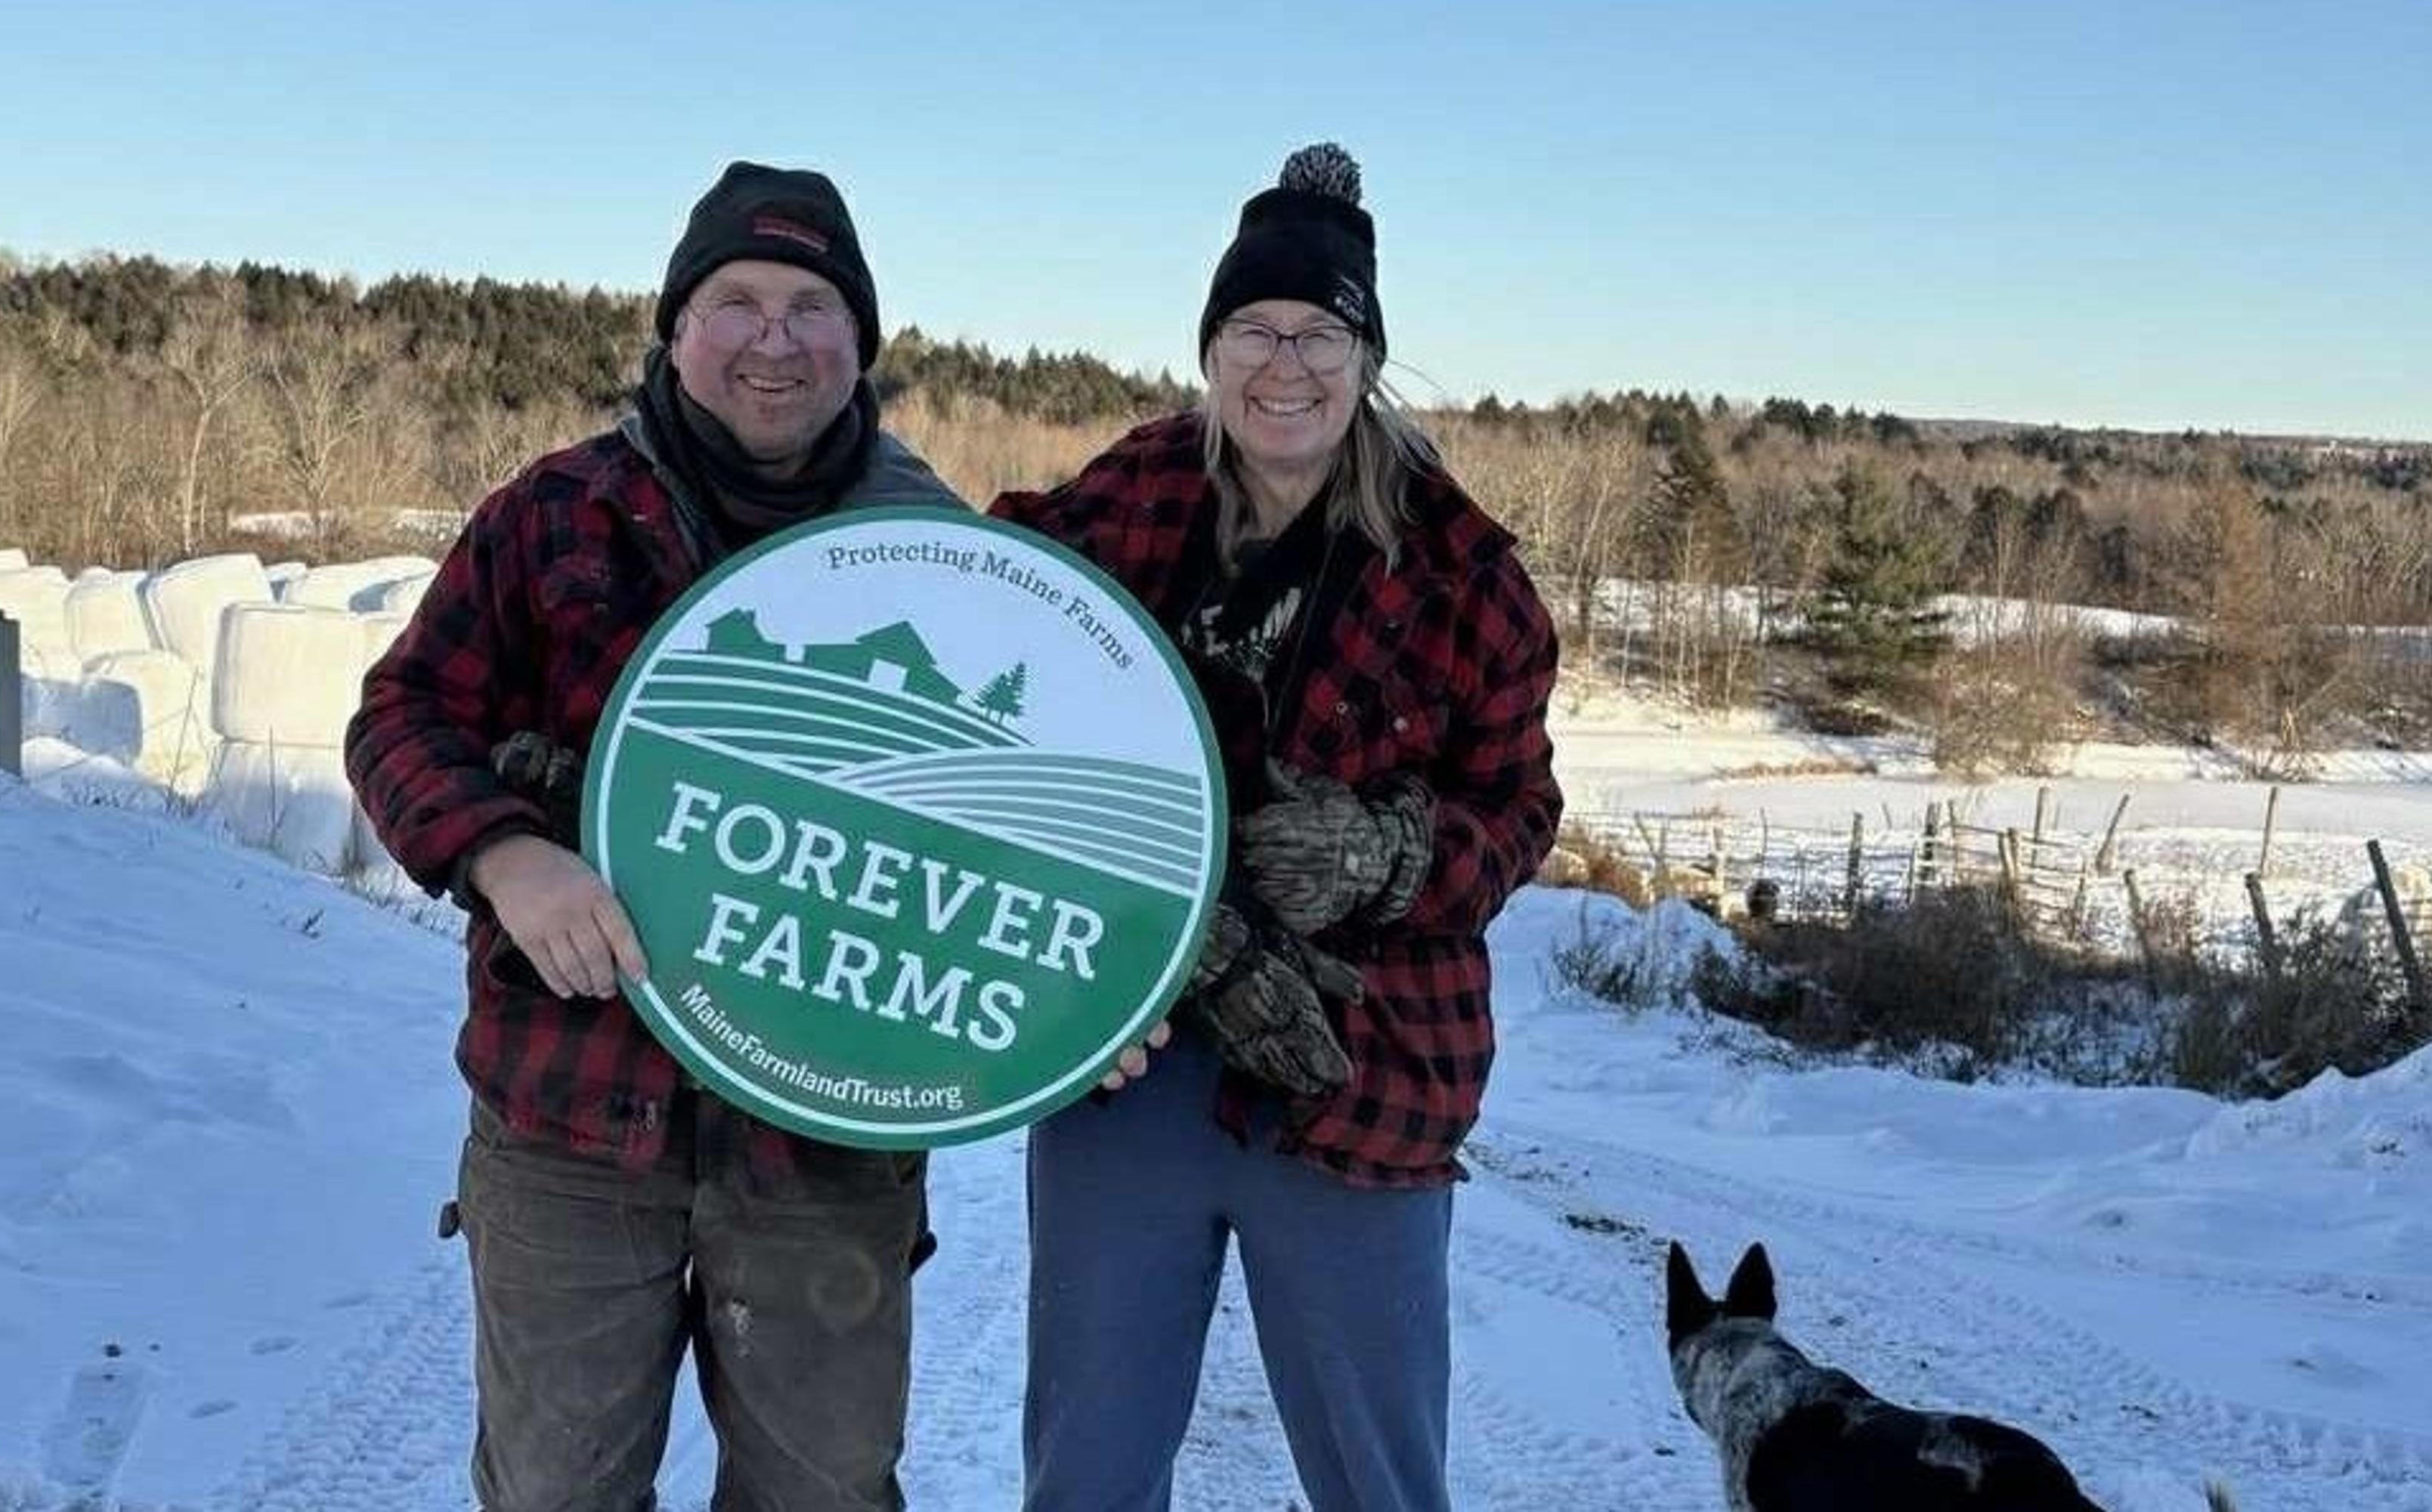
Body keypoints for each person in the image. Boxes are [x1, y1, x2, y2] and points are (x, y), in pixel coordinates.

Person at [348, 161, 1160, 1512]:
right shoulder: (558, 512)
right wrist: (502, 851)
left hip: (827, 1143)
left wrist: (1079, 1001)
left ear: (862, 346)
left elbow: (1020, 835)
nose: (772, 340)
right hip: (568, 1113)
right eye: (736, 301)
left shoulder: (941, 562)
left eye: (810, 306)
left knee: (824, 1495)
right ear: (675, 328)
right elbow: (399, 714)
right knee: (553, 1492)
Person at [992, 142, 1564, 1512]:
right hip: (1131, 1041)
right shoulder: (1134, 493)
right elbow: (991, 609)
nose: (1284, 364)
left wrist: (1392, 853)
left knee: (1376, 1471)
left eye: (1320, 332)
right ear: (1209, 347)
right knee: (1089, 1459)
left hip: (1359, 1069)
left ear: (1368, 358)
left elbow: (1519, 807)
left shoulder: (1459, 566)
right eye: (1253, 328)